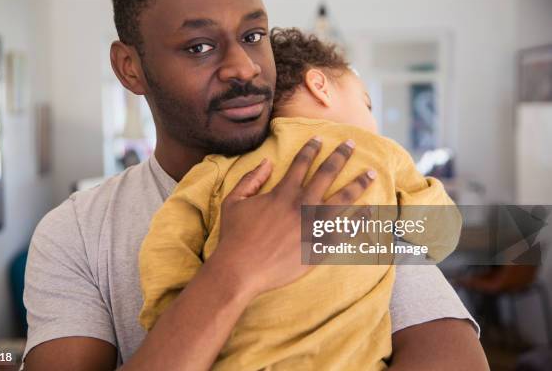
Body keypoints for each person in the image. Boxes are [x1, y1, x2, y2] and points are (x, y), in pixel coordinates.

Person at [23, 0, 488, 370]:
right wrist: (235, 269)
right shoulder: (75, 232)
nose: (243, 68)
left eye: (252, 36)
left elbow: (455, 358)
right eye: (200, 46)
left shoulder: (340, 184)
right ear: (130, 68)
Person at [138, 27, 462, 370]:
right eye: (367, 102)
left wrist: (173, 315)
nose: (372, 119)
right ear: (319, 86)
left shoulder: (219, 168)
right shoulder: (378, 153)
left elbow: (166, 246)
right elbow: (440, 234)